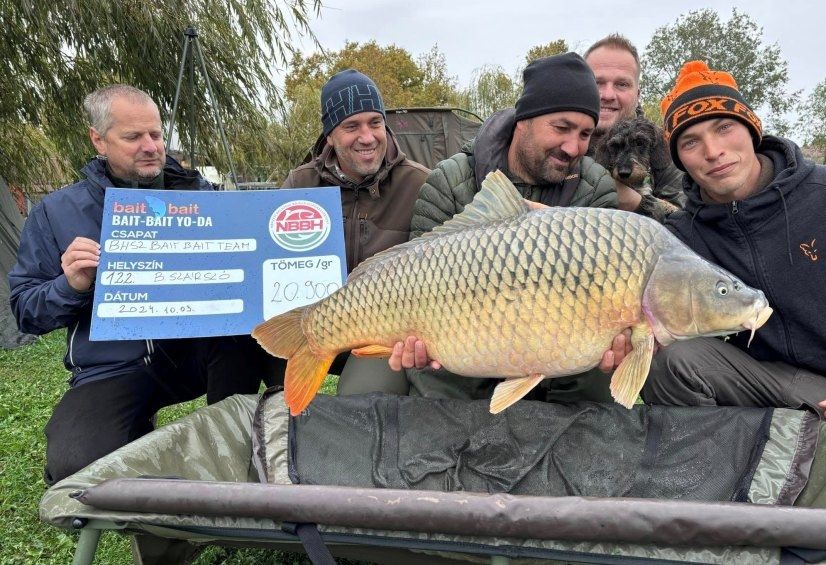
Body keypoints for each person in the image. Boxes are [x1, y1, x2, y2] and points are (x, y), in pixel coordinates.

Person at [9, 85, 266, 484]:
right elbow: (26, 310)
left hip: (202, 351)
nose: (150, 146)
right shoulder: (55, 212)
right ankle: (140, 453)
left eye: (156, 134)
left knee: (244, 344)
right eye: (133, 137)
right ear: (98, 139)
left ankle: (238, 455)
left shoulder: (202, 194)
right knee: (75, 469)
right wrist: (70, 285)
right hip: (113, 365)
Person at [399, 53, 633, 403]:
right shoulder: (449, 181)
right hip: (463, 353)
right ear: (523, 121)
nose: (573, 147)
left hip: (561, 355)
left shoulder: (594, 186)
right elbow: (411, 279)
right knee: (431, 377)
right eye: (561, 127)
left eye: (586, 133)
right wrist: (413, 341)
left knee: (593, 382)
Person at [642, 60, 826, 431]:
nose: (713, 151)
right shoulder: (680, 237)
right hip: (766, 380)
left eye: (724, 128)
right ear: (680, 160)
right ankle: (721, 473)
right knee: (672, 360)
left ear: (751, 129)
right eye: (691, 142)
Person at [281, 69, 430, 396]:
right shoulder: (299, 185)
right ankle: (269, 431)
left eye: (375, 123)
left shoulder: (420, 183)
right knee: (247, 348)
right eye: (351, 126)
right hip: (311, 317)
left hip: (385, 332)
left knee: (363, 400)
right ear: (329, 136)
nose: (367, 137)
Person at [584, 33, 686, 221]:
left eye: (622, 84)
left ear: (637, 94)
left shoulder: (663, 147)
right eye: (596, 83)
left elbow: (683, 222)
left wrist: (637, 203)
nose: (607, 95)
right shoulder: (559, 143)